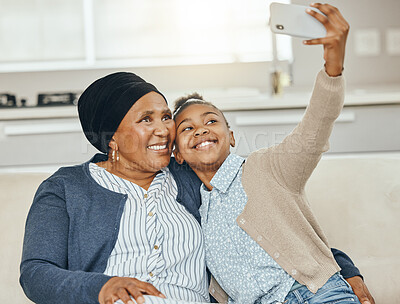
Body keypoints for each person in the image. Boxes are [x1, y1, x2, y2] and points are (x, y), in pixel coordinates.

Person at [19, 11, 373, 304]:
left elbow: (271, 224)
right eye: (146, 120)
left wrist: (342, 269)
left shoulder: (188, 177)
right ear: (112, 137)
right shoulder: (66, 188)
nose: (164, 130)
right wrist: (100, 287)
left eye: (165, 117)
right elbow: (36, 272)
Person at [172, 3, 373, 304]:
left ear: (232, 137)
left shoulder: (268, 167)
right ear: (176, 154)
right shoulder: (192, 207)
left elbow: (316, 125)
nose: (200, 130)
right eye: (187, 128)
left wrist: (333, 63)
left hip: (319, 295)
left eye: (211, 121)